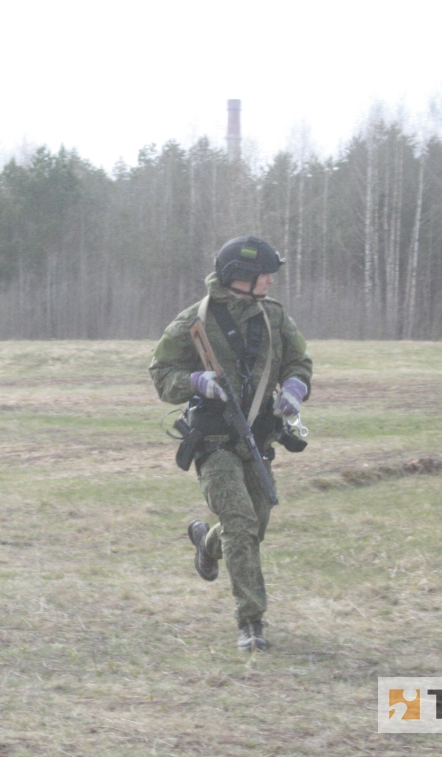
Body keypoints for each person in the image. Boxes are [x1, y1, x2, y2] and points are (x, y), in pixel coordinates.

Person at [148, 235, 312, 652]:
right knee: (240, 523)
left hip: (258, 440)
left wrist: (295, 386)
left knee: (253, 525)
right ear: (240, 277)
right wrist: (195, 381)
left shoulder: (274, 318)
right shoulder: (193, 322)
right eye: (264, 275)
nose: (271, 282)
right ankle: (251, 622)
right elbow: (162, 374)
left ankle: (206, 542)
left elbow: (298, 360)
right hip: (214, 442)